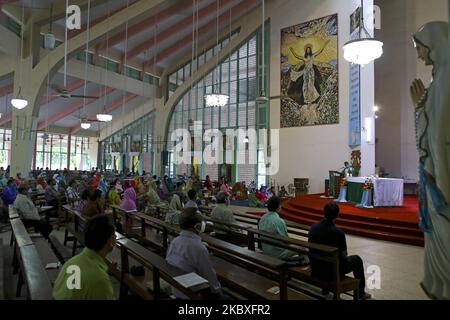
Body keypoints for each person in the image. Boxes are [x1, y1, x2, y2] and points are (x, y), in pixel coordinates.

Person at [409, 21, 450, 299]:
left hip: (438, 170)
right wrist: (419, 107)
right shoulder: (438, 80)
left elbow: (436, 133)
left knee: (442, 227)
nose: (419, 55)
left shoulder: (445, 79)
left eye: (420, 48)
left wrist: (442, 175)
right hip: (432, 167)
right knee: (435, 230)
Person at [309, 202, 371, 300]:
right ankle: (361, 293)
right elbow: (344, 254)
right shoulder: (338, 232)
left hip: (316, 267)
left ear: (324, 212)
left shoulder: (313, 227)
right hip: (331, 271)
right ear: (337, 215)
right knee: (357, 260)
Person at [53, 215, 116, 300]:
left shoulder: (71, 263)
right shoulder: (100, 280)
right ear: (110, 241)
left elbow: (77, 288)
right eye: (114, 236)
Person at [166, 208, 223, 299]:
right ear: (198, 226)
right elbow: (210, 279)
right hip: (193, 293)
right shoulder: (199, 248)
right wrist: (218, 291)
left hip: (177, 290)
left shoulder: (174, 242)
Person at [258, 196, 309, 265]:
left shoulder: (262, 218)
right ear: (278, 207)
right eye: (280, 204)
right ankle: (306, 265)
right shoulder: (279, 221)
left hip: (266, 249)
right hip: (277, 253)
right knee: (302, 247)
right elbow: (286, 240)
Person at [288, 41, 330, 105]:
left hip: (311, 72)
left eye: (309, 50)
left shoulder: (312, 57)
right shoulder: (304, 58)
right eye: (307, 50)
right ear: (306, 51)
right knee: (305, 85)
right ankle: (306, 99)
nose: (308, 51)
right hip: (305, 72)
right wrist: (292, 50)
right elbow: (297, 56)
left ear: (310, 50)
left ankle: (311, 99)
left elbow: (319, 51)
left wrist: (325, 44)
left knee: (310, 85)